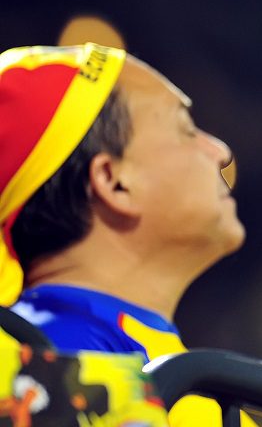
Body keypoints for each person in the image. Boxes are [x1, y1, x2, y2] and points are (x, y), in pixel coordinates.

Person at [0, 43, 245, 424]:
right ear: (113, 181)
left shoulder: (162, 365)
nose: (220, 151)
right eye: (186, 130)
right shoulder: (50, 368)